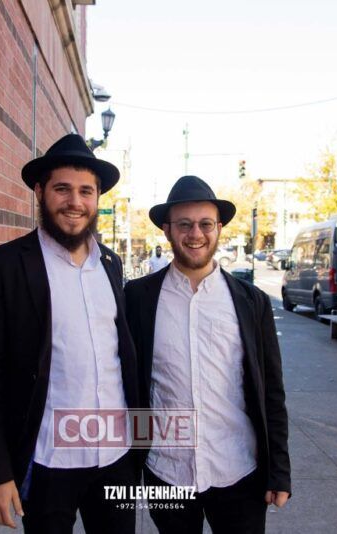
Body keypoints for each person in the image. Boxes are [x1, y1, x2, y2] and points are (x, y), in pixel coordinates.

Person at [0, 134, 139, 533]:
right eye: (62, 189)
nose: (75, 202)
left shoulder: (110, 264)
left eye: (85, 191)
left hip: (116, 457)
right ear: (40, 192)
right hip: (48, 462)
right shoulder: (2, 266)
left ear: (97, 198)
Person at [124, 175, 291, 534]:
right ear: (167, 230)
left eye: (205, 224)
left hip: (238, 469)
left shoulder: (251, 301)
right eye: (184, 224)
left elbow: (272, 392)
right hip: (167, 469)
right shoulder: (137, 298)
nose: (195, 234)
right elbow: (127, 384)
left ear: (219, 229)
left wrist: (279, 469)